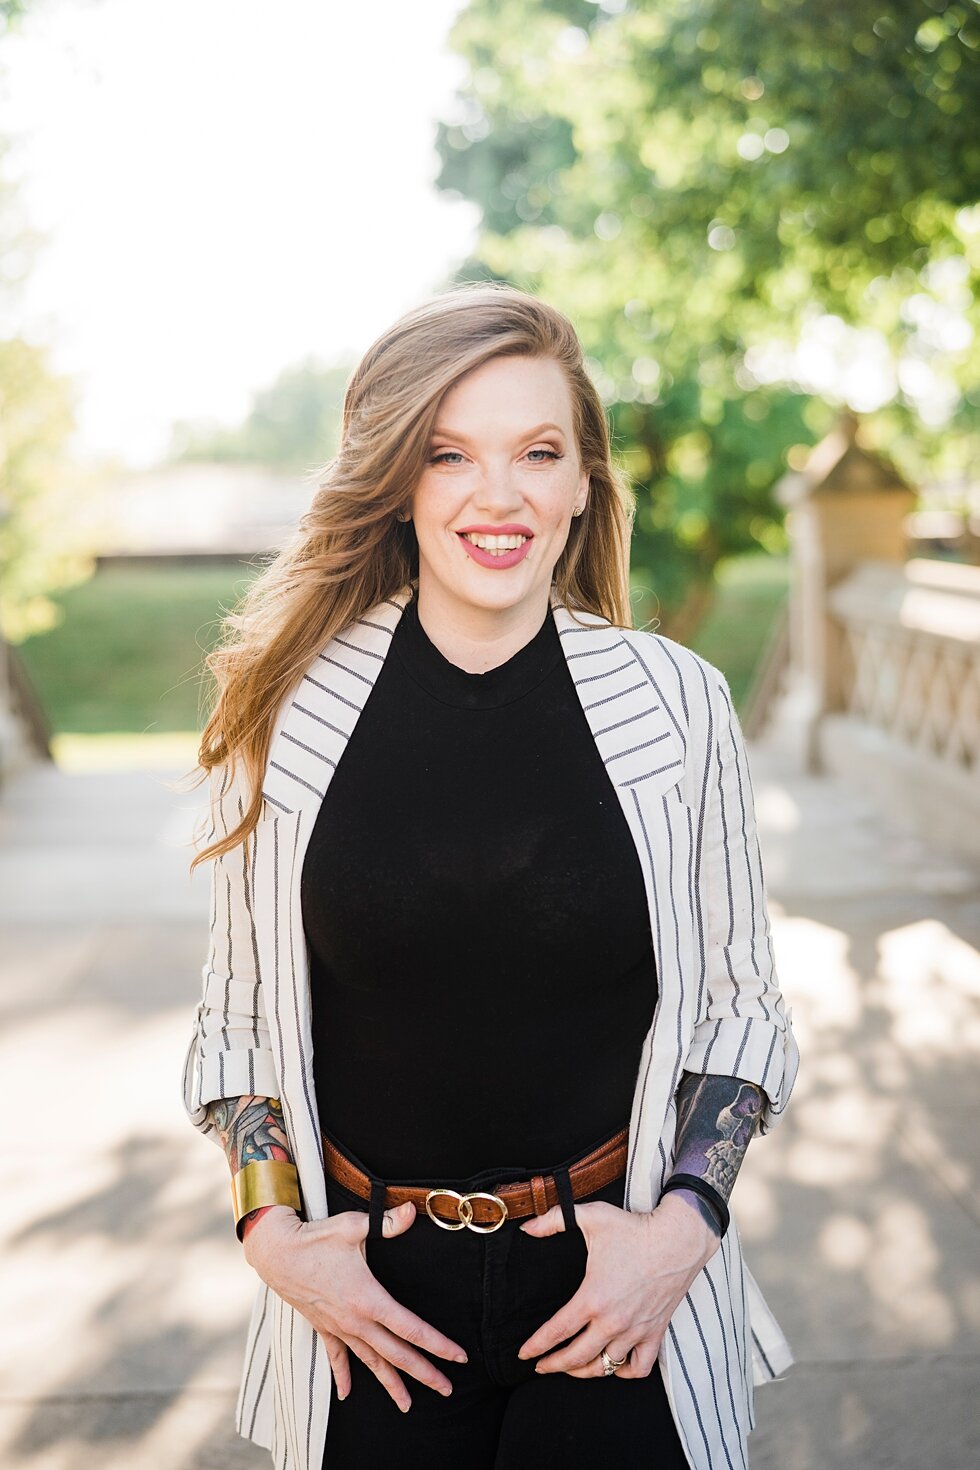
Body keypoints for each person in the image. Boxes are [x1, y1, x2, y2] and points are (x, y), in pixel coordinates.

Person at [182, 283, 800, 1470]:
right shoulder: (288, 711)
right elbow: (239, 1023)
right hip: (371, 1307)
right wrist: (271, 1230)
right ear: (399, 482)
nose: (498, 495)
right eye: (450, 453)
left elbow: (739, 1010)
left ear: (582, 482)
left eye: (538, 452)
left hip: (615, 1291)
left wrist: (681, 1229)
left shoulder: (676, 706)